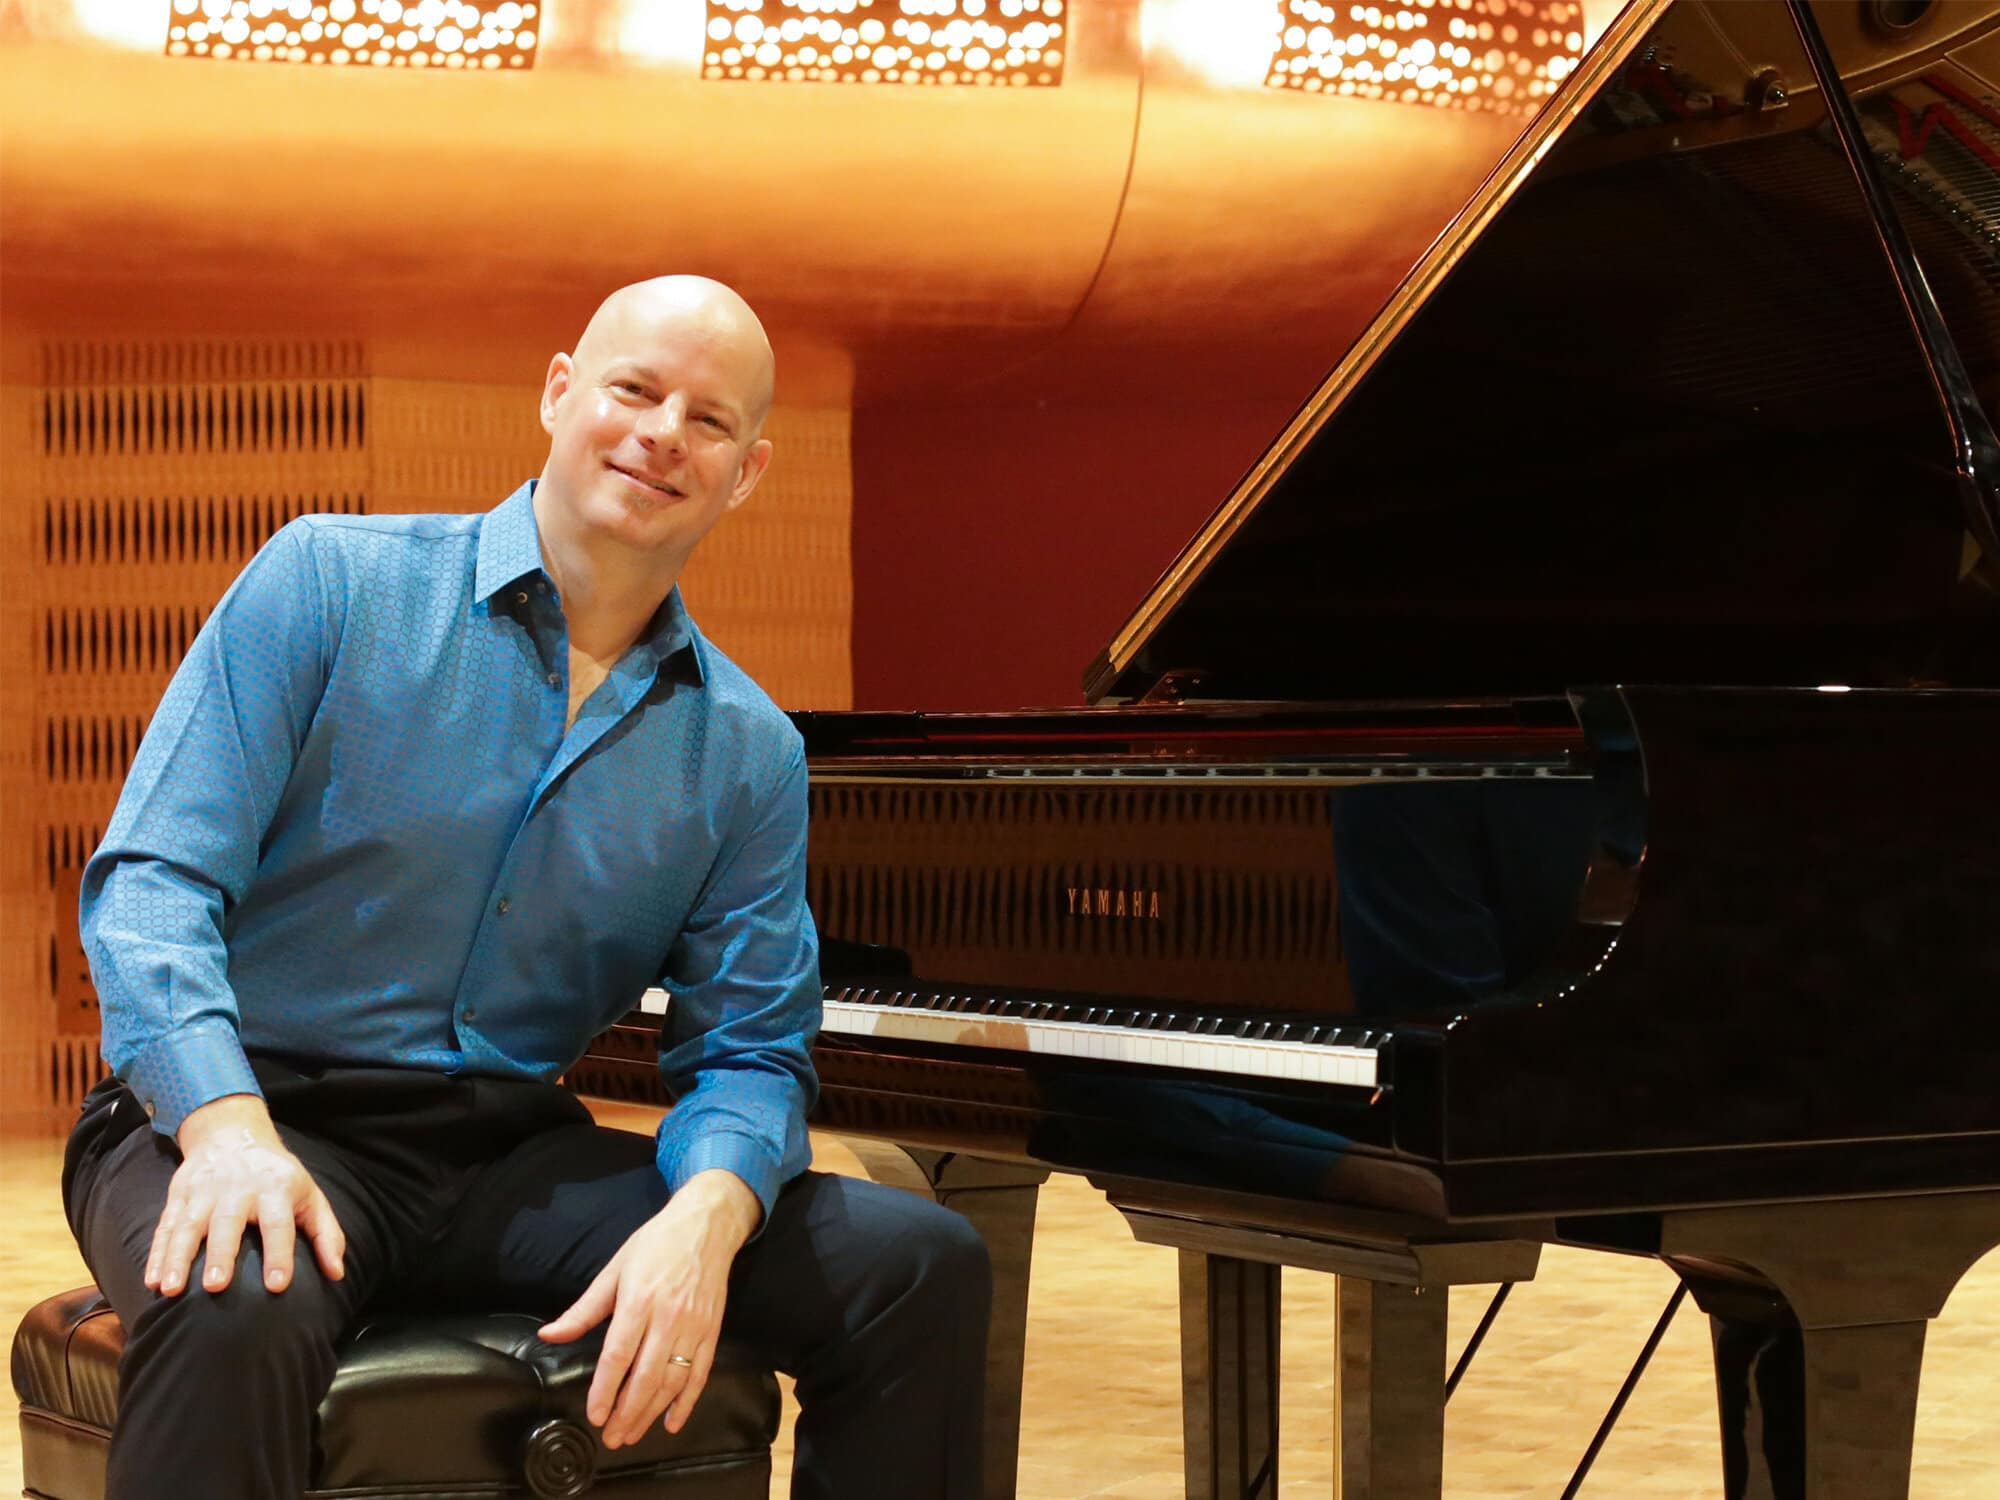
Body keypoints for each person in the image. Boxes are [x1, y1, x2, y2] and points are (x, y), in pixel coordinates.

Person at [62, 276, 992, 1500]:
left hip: (504, 1161)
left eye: (708, 421)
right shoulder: (331, 582)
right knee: (236, 1285)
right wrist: (226, 1134)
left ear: (748, 471)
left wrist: (705, 1218)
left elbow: (754, 1048)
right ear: (560, 394)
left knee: (913, 1260)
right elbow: (152, 883)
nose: (663, 433)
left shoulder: (748, 751)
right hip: (248, 1110)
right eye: (634, 389)